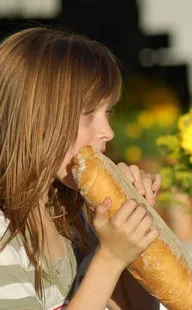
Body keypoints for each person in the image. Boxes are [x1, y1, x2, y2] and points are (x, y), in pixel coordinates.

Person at [0, 27, 161, 310]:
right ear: (35, 121)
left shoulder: (69, 218)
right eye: (89, 113)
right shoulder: (5, 236)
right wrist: (110, 258)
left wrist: (134, 229)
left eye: (108, 112)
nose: (108, 132)